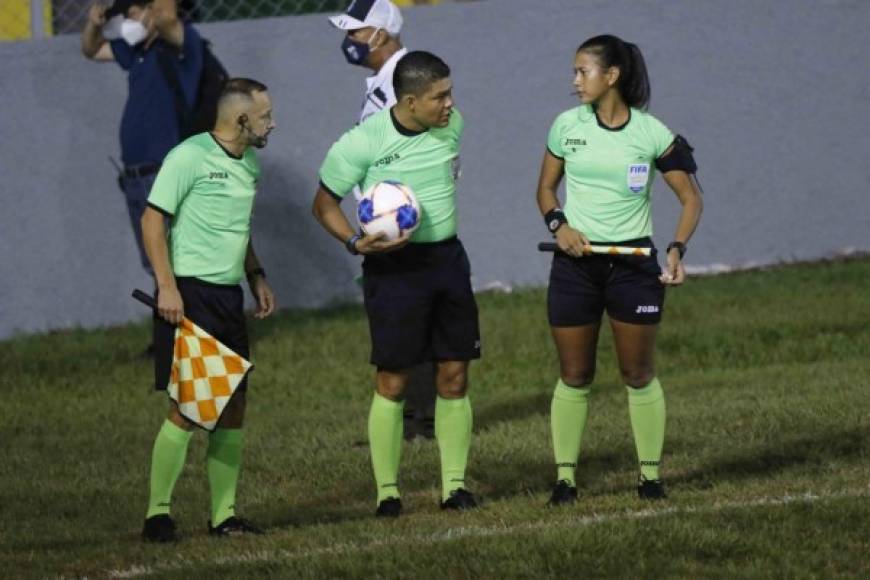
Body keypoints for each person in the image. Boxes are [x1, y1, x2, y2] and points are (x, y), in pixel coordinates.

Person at [536, 35, 703, 505]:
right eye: (574, 72)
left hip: (634, 269)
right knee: (574, 374)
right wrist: (559, 225)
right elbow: (546, 190)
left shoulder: (651, 133)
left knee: (637, 372)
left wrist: (674, 251)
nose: (574, 81)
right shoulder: (565, 126)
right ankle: (565, 479)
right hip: (575, 268)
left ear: (612, 76)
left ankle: (650, 477)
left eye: (582, 71)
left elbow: (691, 199)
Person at [312, 51, 480, 517]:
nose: (450, 104)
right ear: (409, 101)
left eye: (450, 93)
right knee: (393, 379)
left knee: (454, 373)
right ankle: (388, 493)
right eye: (439, 97)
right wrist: (352, 241)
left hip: (447, 262)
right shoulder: (361, 143)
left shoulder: (453, 126)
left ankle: (455, 488)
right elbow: (323, 203)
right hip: (394, 270)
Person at [139, 78, 277, 542]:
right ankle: (158, 516)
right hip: (192, 294)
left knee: (233, 404)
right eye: (264, 117)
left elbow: (238, 229)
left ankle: (224, 516)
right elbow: (152, 219)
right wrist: (167, 287)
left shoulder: (250, 163)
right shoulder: (189, 157)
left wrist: (255, 274)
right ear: (240, 119)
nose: (271, 124)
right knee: (191, 409)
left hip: (227, 296)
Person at [328, 0, 437, 441]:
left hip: (403, 226)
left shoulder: (404, 82)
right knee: (397, 320)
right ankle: (410, 420)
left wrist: (400, 214)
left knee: (409, 319)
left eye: (356, 32)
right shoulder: (385, 80)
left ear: (381, 33)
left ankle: (420, 422)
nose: (349, 41)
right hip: (386, 225)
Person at [81, 0, 203, 278]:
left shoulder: (179, 45)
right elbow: (91, 50)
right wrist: (94, 24)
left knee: (181, 263)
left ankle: (203, 319)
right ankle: (175, 322)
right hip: (136, 175)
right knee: (157, 265)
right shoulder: (136, 51)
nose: (128, 21)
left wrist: (160, 13)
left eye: (134, 13)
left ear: (153, 11)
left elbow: (169, 19)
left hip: (164, 171)